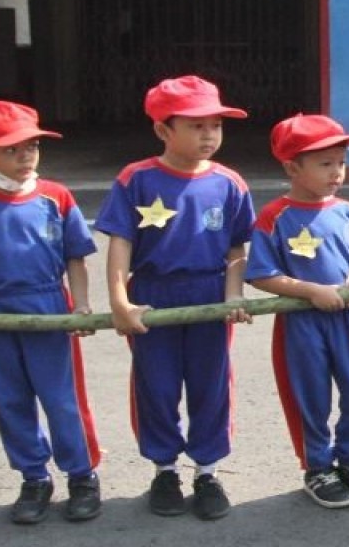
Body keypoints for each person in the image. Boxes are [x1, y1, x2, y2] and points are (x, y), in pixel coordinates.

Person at [94, 75, 256, 520]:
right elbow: (121, 244)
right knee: (157, 385)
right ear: (163, 130)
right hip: (153, 295)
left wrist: (233, 295)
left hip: (209, 295)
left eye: (216, 125)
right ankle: (164, 469)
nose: (209, 135)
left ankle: (207, 471)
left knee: (210, 384)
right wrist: (120, 302)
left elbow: (237, 248)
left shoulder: (230, 183)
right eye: (196, 125)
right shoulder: (137, 179)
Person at [0, 101, 102, 524]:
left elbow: (76, 257)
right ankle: (34, 476)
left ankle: (82, 475)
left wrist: (81, 305)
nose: (25, 157)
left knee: (62, 399)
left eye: (32, 147)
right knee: (9, 400)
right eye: (11, 150)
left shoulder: (56, 197)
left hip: (50, 310)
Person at [245, 114, 349, 509]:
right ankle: (318, 468)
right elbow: (262, 274)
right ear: (293, 168)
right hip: (301, 321)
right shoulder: (275, 216)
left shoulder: (348, 211)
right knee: (309, 396)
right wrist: (311, 291)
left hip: (348, 317)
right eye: (326, 164)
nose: (337, 172)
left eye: (341, 162)